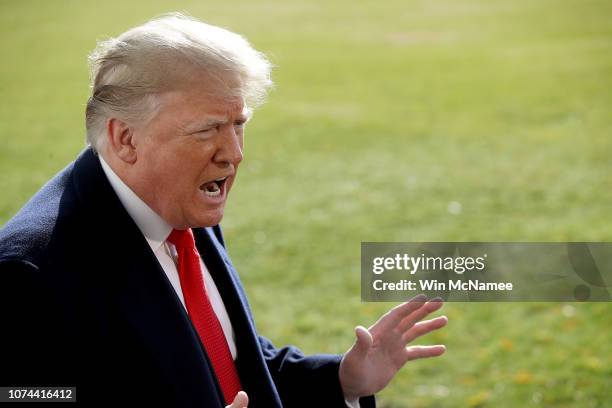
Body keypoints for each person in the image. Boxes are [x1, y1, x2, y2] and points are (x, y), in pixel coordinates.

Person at [0, 14, 448, 407]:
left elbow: (229, 363)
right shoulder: (28, 275)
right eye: (208, 129)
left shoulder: (182, 208)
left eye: (238, 125)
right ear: (125, 139)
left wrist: (341, 380)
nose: (233, 154)